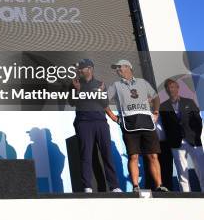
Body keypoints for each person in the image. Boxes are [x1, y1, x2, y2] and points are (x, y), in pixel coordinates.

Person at [106, 59, 168, 192]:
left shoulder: (142, 82)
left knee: (153, 155)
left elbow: (156, 97)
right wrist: (113, 117)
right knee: (133, 156)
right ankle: (136, 186)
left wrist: (156, 112)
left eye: (119, 67)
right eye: (116, 68)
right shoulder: (116, 85)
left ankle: (159, 185)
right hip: (129, 124)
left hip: (147, 123)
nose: (117, 70)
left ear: (128, 67)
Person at [68, 59, 121, 193]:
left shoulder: (100, 84)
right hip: (84, 123)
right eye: (78, 68)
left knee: (107, 154)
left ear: (90, 69)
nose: (79, 70)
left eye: (82, 68)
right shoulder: (75, 84)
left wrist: (100, 92)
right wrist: (78, 90)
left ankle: (114, 186)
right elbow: (72, 102)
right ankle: (87, 186)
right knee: (86, 155)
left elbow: (104, 103)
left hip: (100, 123)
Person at [159, 78, 204, 191]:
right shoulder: (163, 106)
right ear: (166, 90)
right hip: (176, 143)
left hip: (193, 140)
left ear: (178, 88)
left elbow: (198, 121)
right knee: (182, 173)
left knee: (201, 170)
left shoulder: (189, 102)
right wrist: (171, 140)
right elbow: (164, 126)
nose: (171, 89)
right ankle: (186, 196)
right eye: (168, 88)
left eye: (173, 87)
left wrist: (196, 135)